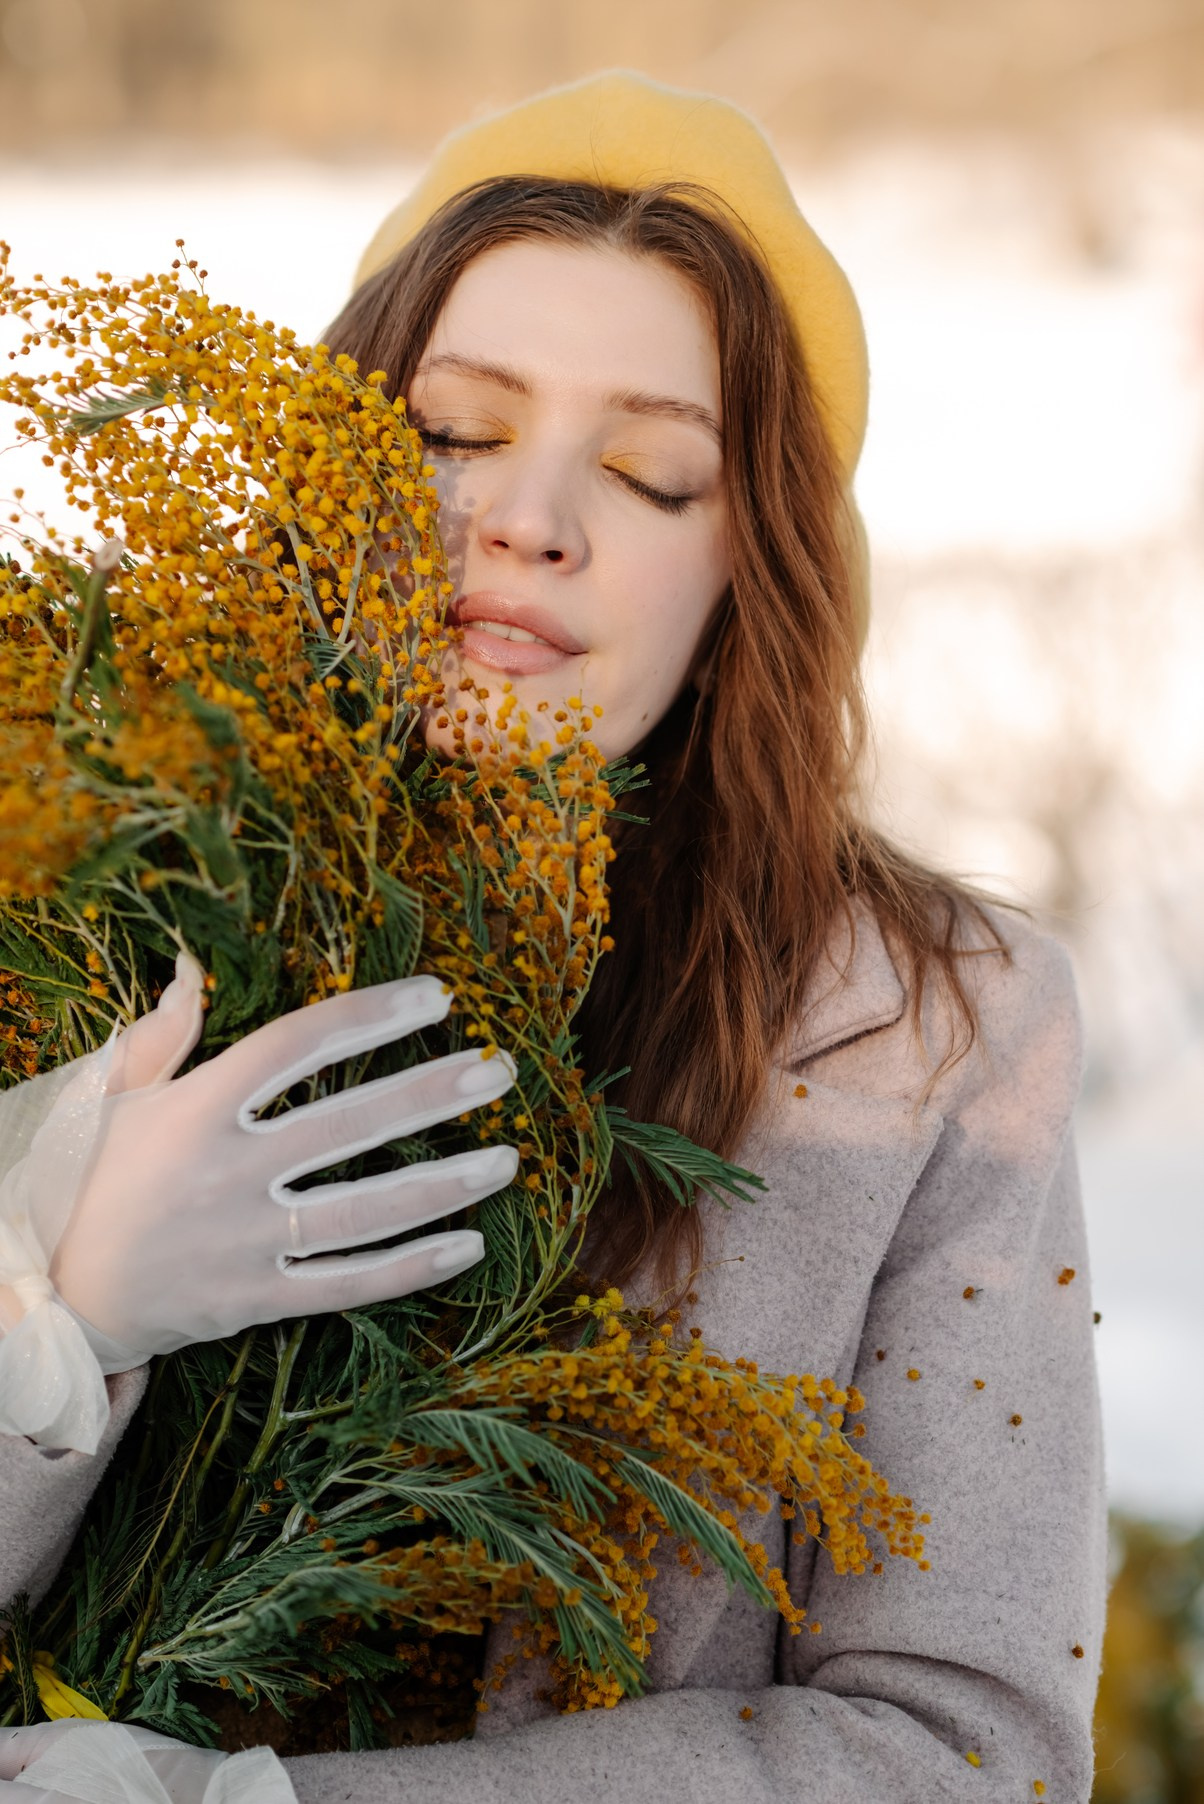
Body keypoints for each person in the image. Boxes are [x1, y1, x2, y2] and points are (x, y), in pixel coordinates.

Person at [0, 70, 1105, 1804]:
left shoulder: (934, 1041)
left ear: (759, 561)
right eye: (455, 432)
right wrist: (51, 1324)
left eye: (657, 471)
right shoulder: (69, 865)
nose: (529, 517)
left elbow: (961, 1751)